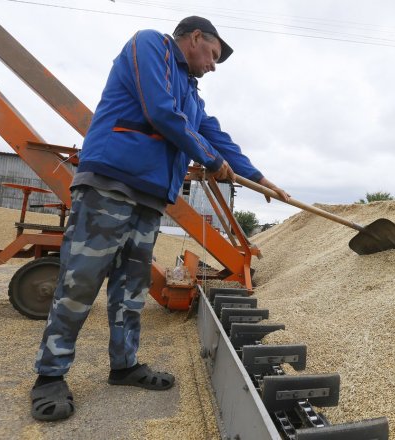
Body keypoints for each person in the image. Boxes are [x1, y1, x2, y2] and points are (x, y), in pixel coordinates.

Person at [30, 16, 289, 421]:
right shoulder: (150, 46)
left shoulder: (192, 93)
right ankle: (50, 376)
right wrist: (212, 160)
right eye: (214, 55)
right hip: (110, 183)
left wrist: (260, 179)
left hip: (150, 198)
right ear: (196, 38)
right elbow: (160, 112)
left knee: (131, 288)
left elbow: (214, 135)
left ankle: (125, 365)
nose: (214, 65)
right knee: (80, 280)